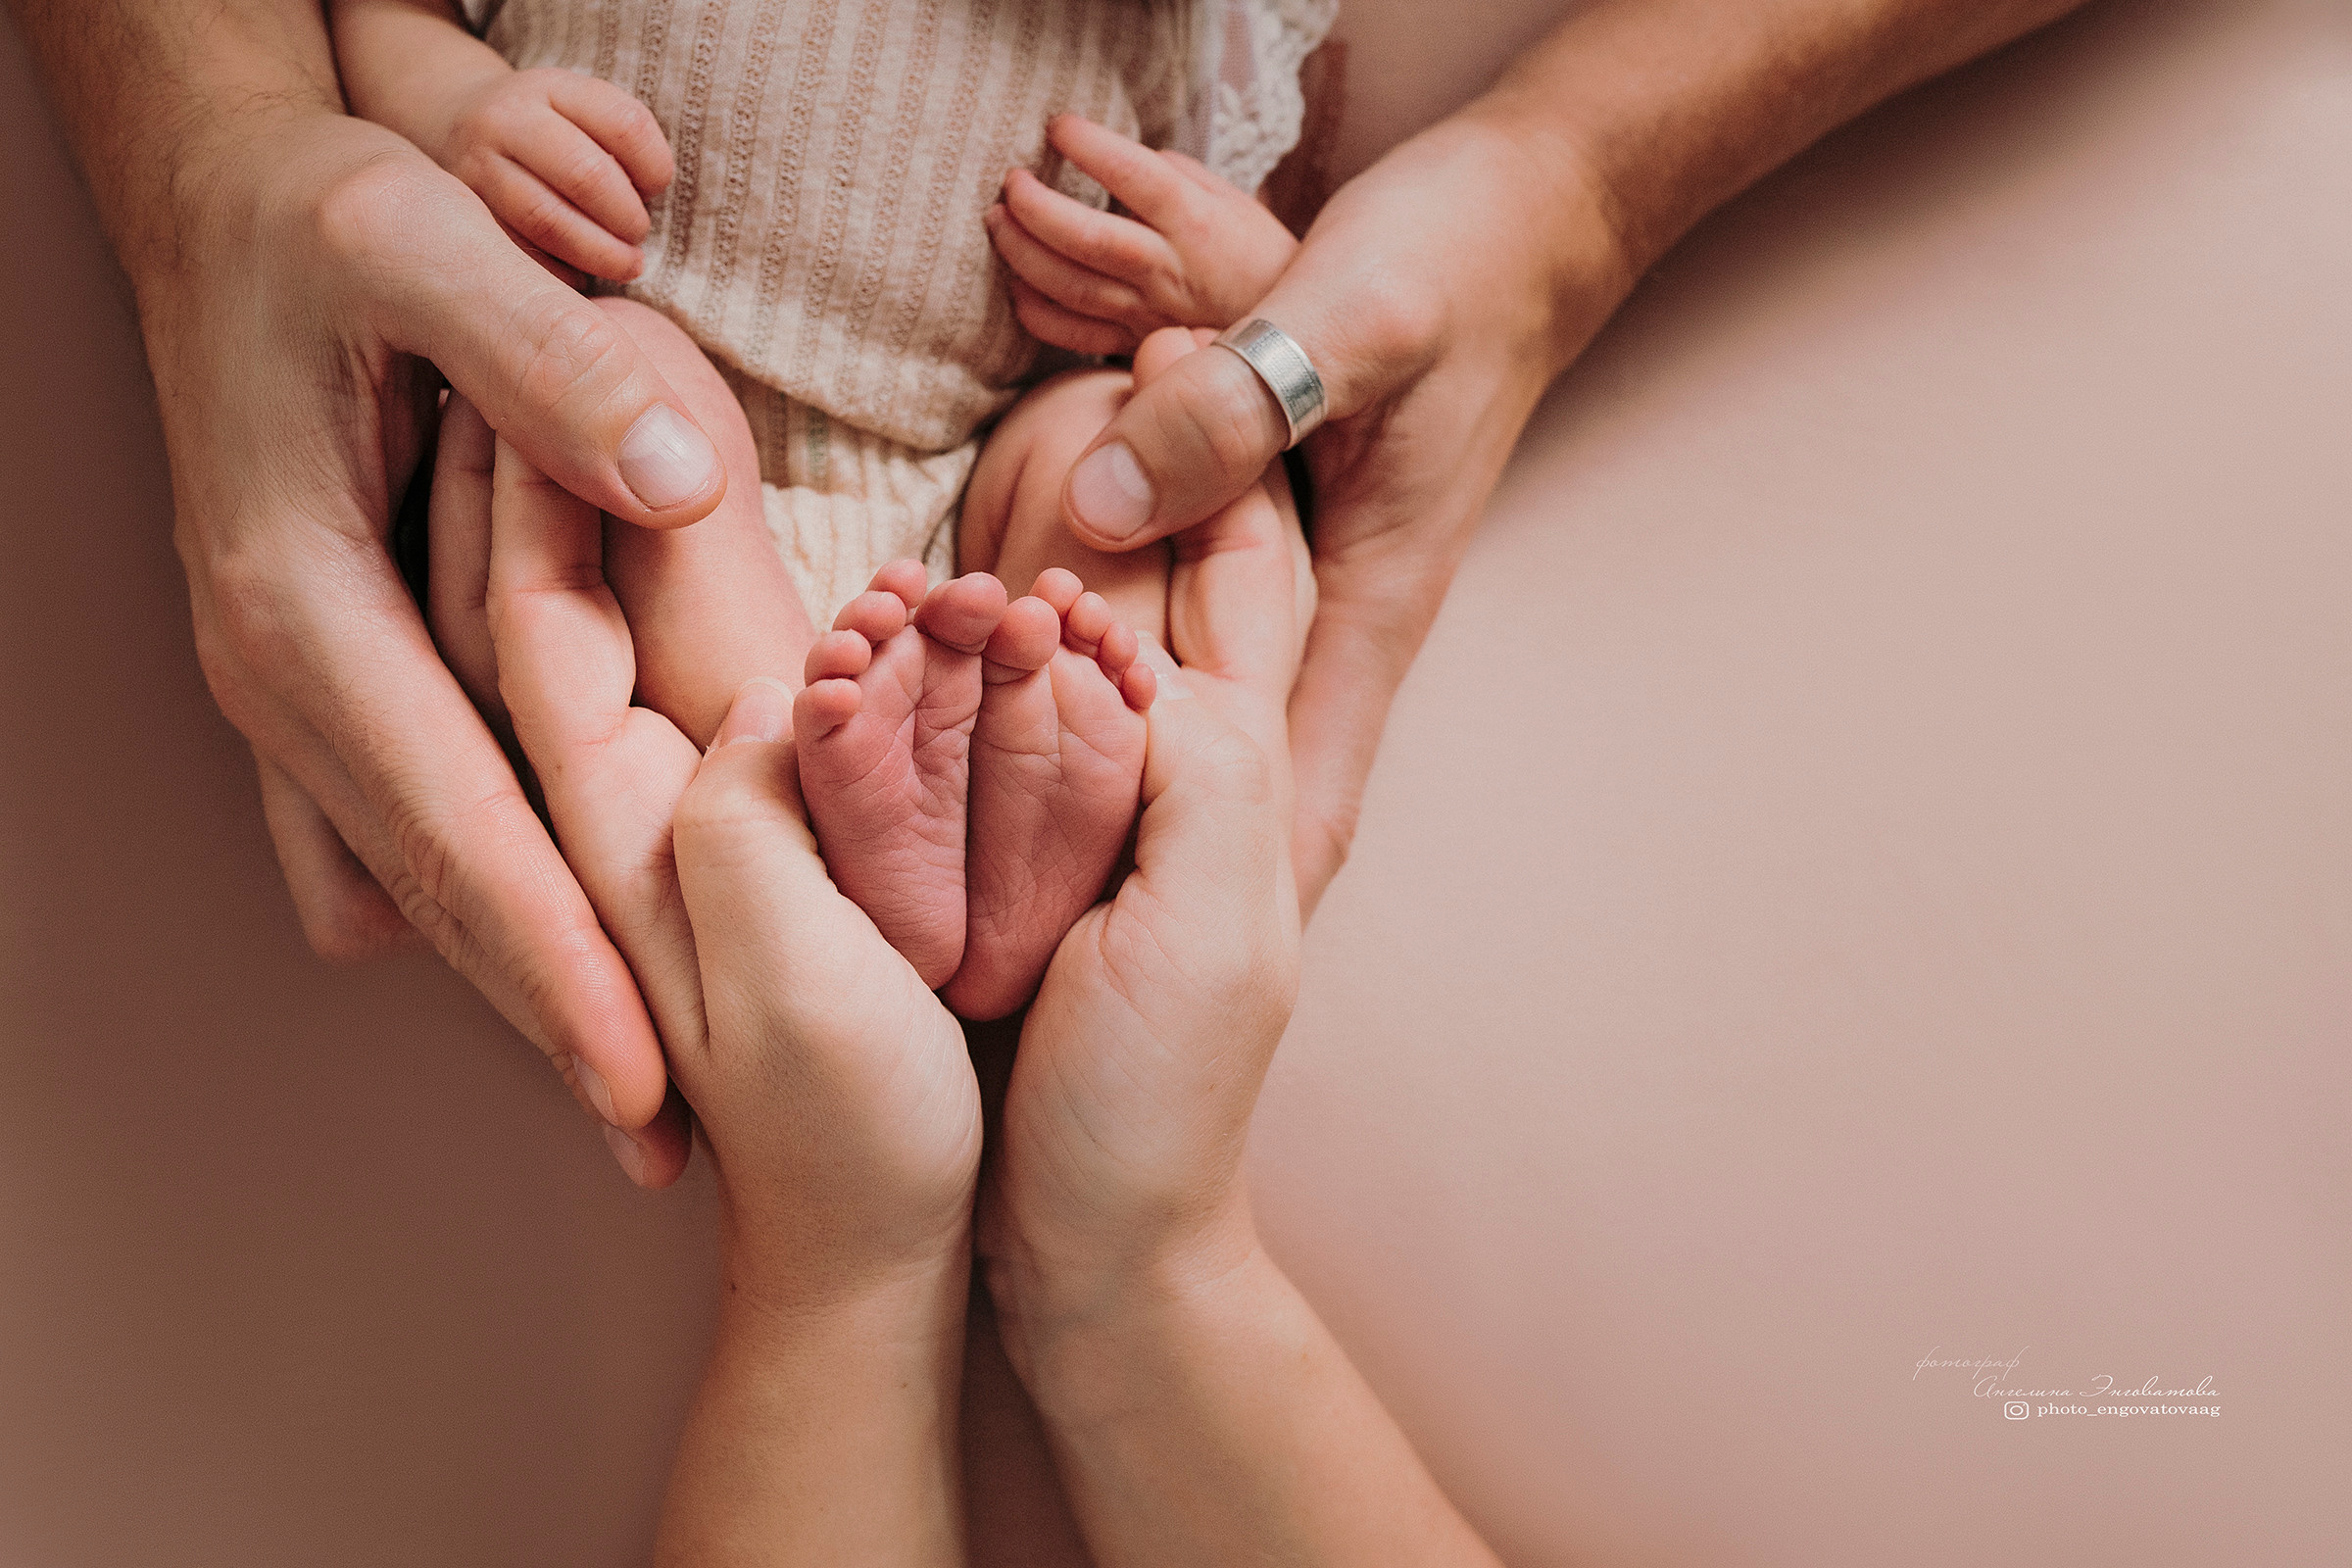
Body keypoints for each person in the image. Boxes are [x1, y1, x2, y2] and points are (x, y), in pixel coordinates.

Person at [6, 0, 2089, 1184]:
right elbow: (390, 18)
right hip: (654, 360)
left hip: (990, 423)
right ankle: (846, 804)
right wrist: (460, 106)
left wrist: (1217, 275)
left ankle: (985, 818)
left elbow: (1258, 194)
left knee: (1129, 468)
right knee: (652, 467)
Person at [458, 327, 1499, 1555]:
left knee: (659, 463)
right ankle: (1002, 864)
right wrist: (1139, 1252)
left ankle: (851, 837)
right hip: (1008, 407)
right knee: (1101, 465)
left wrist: (845, 1257)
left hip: (765, 488)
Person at [327, 0, 1323, 1018]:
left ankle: (1022, 823)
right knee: (618, 385)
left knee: (1114, 427)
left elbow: (1266, 233)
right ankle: (819, 796)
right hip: (666, 442)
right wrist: (453, 105)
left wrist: (1254, 282)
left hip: (980, 470)